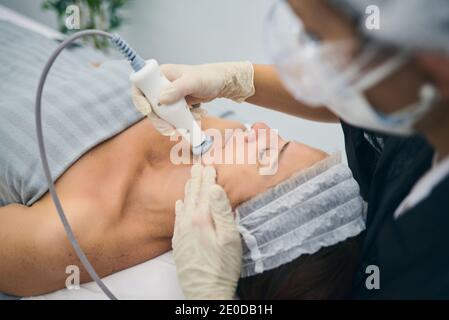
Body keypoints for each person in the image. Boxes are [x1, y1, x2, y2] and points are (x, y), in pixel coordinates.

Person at [163, 0, 449, 299]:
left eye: (317, 38)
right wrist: (235, 80)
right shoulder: (416, 132)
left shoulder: (422, 280)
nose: (311, 70)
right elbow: (368, 93)